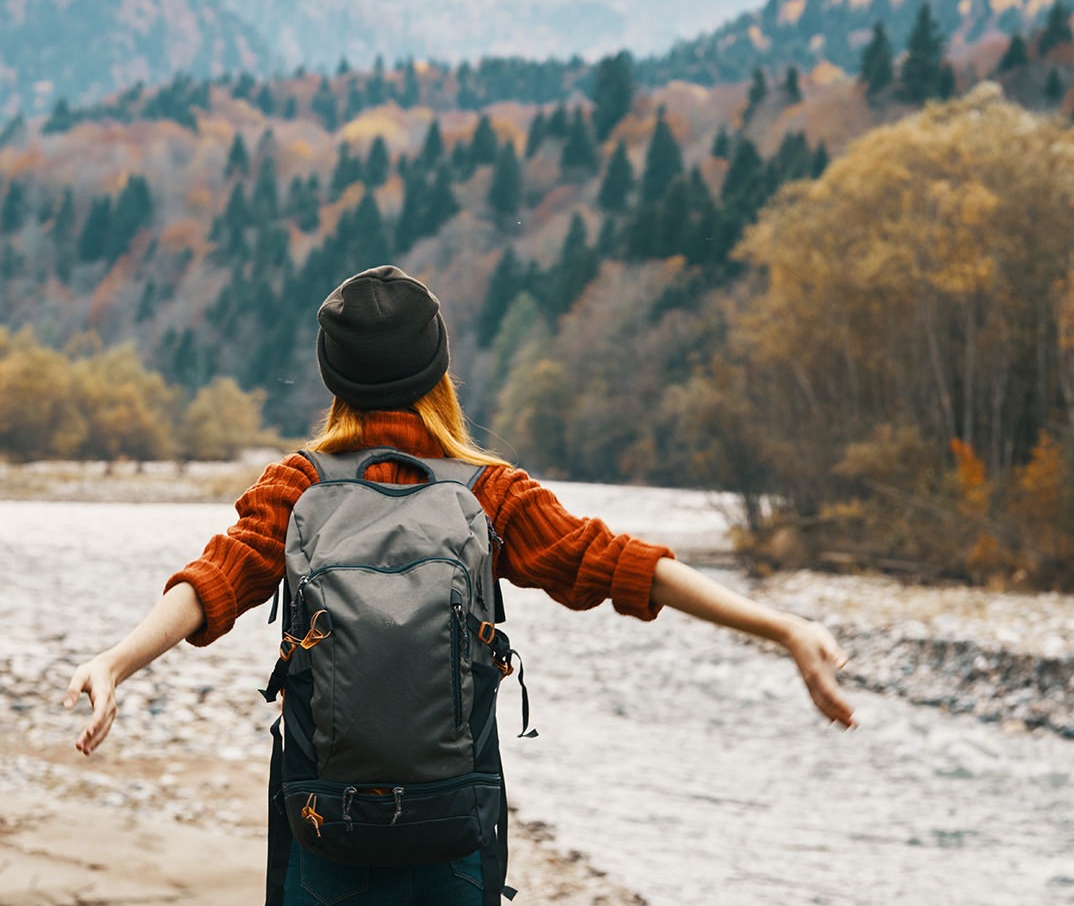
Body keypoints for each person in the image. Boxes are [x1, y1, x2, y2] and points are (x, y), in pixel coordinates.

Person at [65, 265, 856, 904]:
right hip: (454, 824)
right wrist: (781, 628)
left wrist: (115, 662)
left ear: (332, 377)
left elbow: (212, 584)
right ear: (440, 368)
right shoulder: (488, 492)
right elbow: (621, 567)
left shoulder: (296, 488)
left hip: (323, 819)